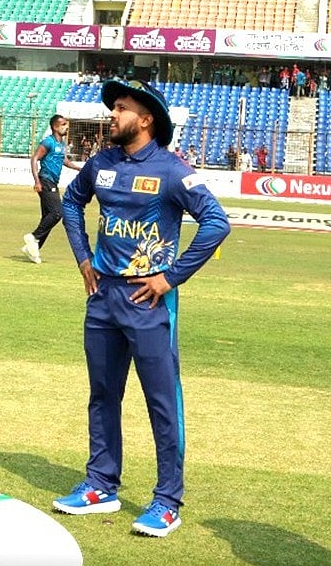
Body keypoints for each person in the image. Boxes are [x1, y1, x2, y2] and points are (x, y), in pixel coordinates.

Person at [57, 79, 230, 538]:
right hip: (103, 299)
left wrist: (170, 276)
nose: (113, 115)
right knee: (102, 394)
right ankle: (100, 484)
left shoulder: (172, 170)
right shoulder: (102, 162)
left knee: (161, 402)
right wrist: (82, 258)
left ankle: (168, 501)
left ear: (146, 118)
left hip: (149, 301)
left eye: (121, 108)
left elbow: (216, 222)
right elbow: (71, 202)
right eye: (113, 107)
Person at [21, 114, 82, 264]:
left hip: (53, 182)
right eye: (63, 124)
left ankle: (33, 249)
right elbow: (35, 158)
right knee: (57, 213)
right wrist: (37, 181)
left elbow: (64, 160)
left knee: (47, 216)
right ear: (55, 126)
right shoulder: (48, 142)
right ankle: (34, 237)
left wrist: (78, 168)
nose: (66, 127)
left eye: (66, 124)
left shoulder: (61, 144)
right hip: (45, 180)